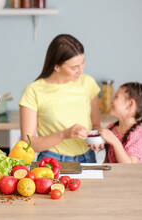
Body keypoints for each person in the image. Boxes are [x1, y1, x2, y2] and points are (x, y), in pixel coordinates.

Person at [19, 34, 101, 163]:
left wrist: (96, 140)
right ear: (56, 66)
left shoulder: (88, 83)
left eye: (82, 63)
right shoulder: (33, 91)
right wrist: (64, 135)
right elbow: (27, 144)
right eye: (74, 68)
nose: (81, 71)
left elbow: (96, 126)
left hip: (88, 158)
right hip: (52, 161)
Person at [90, 82, 142, 181]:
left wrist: (114, 140)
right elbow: (108, 162)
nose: (111, 101)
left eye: (116, 97)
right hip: (120, 183)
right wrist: (95, 142)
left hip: (141, 188)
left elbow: (129, 168)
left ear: (130, 104)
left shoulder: (138, 135)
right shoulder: (112, 128)